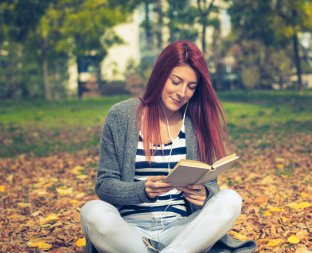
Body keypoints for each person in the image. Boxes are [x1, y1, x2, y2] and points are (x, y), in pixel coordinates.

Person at [80, 40, 256, 253]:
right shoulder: (121, 115)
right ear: (161, 75)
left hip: (181, 230)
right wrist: (142, 189)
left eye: (191, 87)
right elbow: (105, 185)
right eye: (176, 81)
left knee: (230, 199)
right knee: (92, 211)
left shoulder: (196, 122)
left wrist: (204, 194)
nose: (182, 92)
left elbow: (211, 184)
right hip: (128, 231)